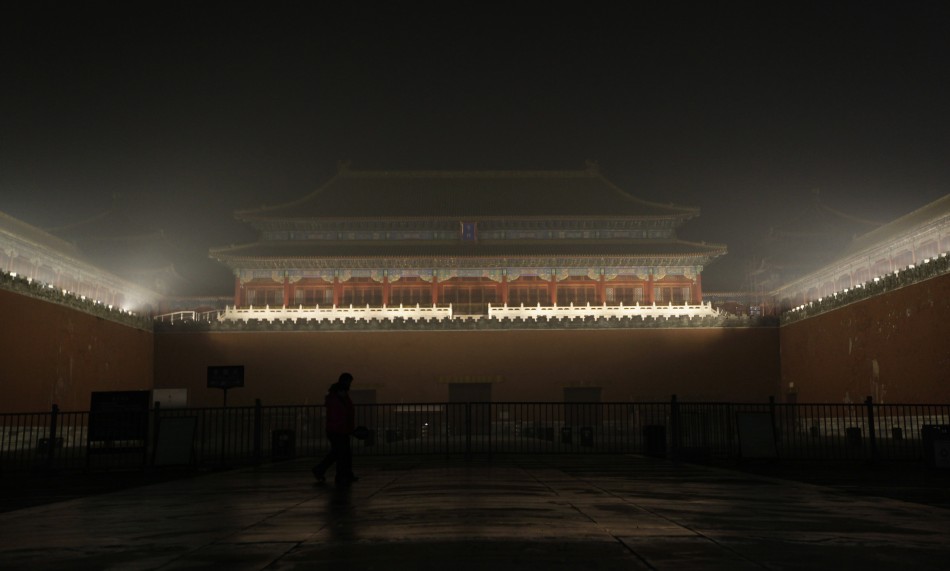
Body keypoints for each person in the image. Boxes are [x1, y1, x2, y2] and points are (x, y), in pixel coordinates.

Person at [313, 372, 358, 486]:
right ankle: (340, 475)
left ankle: (328, 471)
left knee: (339, 453)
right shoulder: (337, 398)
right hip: (338, 430)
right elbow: (339, 415)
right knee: (342, 453)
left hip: (339, 430)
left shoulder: (338, 397)